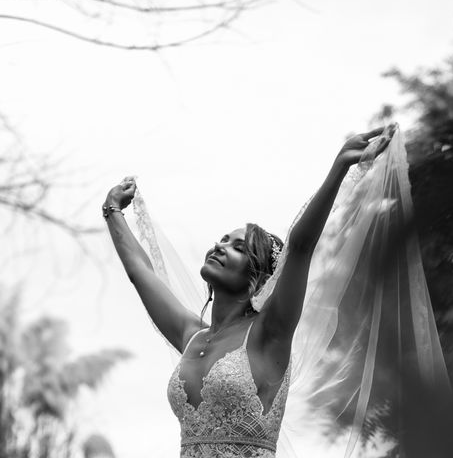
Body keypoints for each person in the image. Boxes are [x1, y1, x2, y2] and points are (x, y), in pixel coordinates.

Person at [103, 126, 403, 458]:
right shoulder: (191, 336)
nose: (219, 246)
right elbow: (140, 273)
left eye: (237, 247)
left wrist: (340, 167)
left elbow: (301, 246)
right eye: (221, 240)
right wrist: (112, 211)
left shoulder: (269, 332)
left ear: (259, 278)